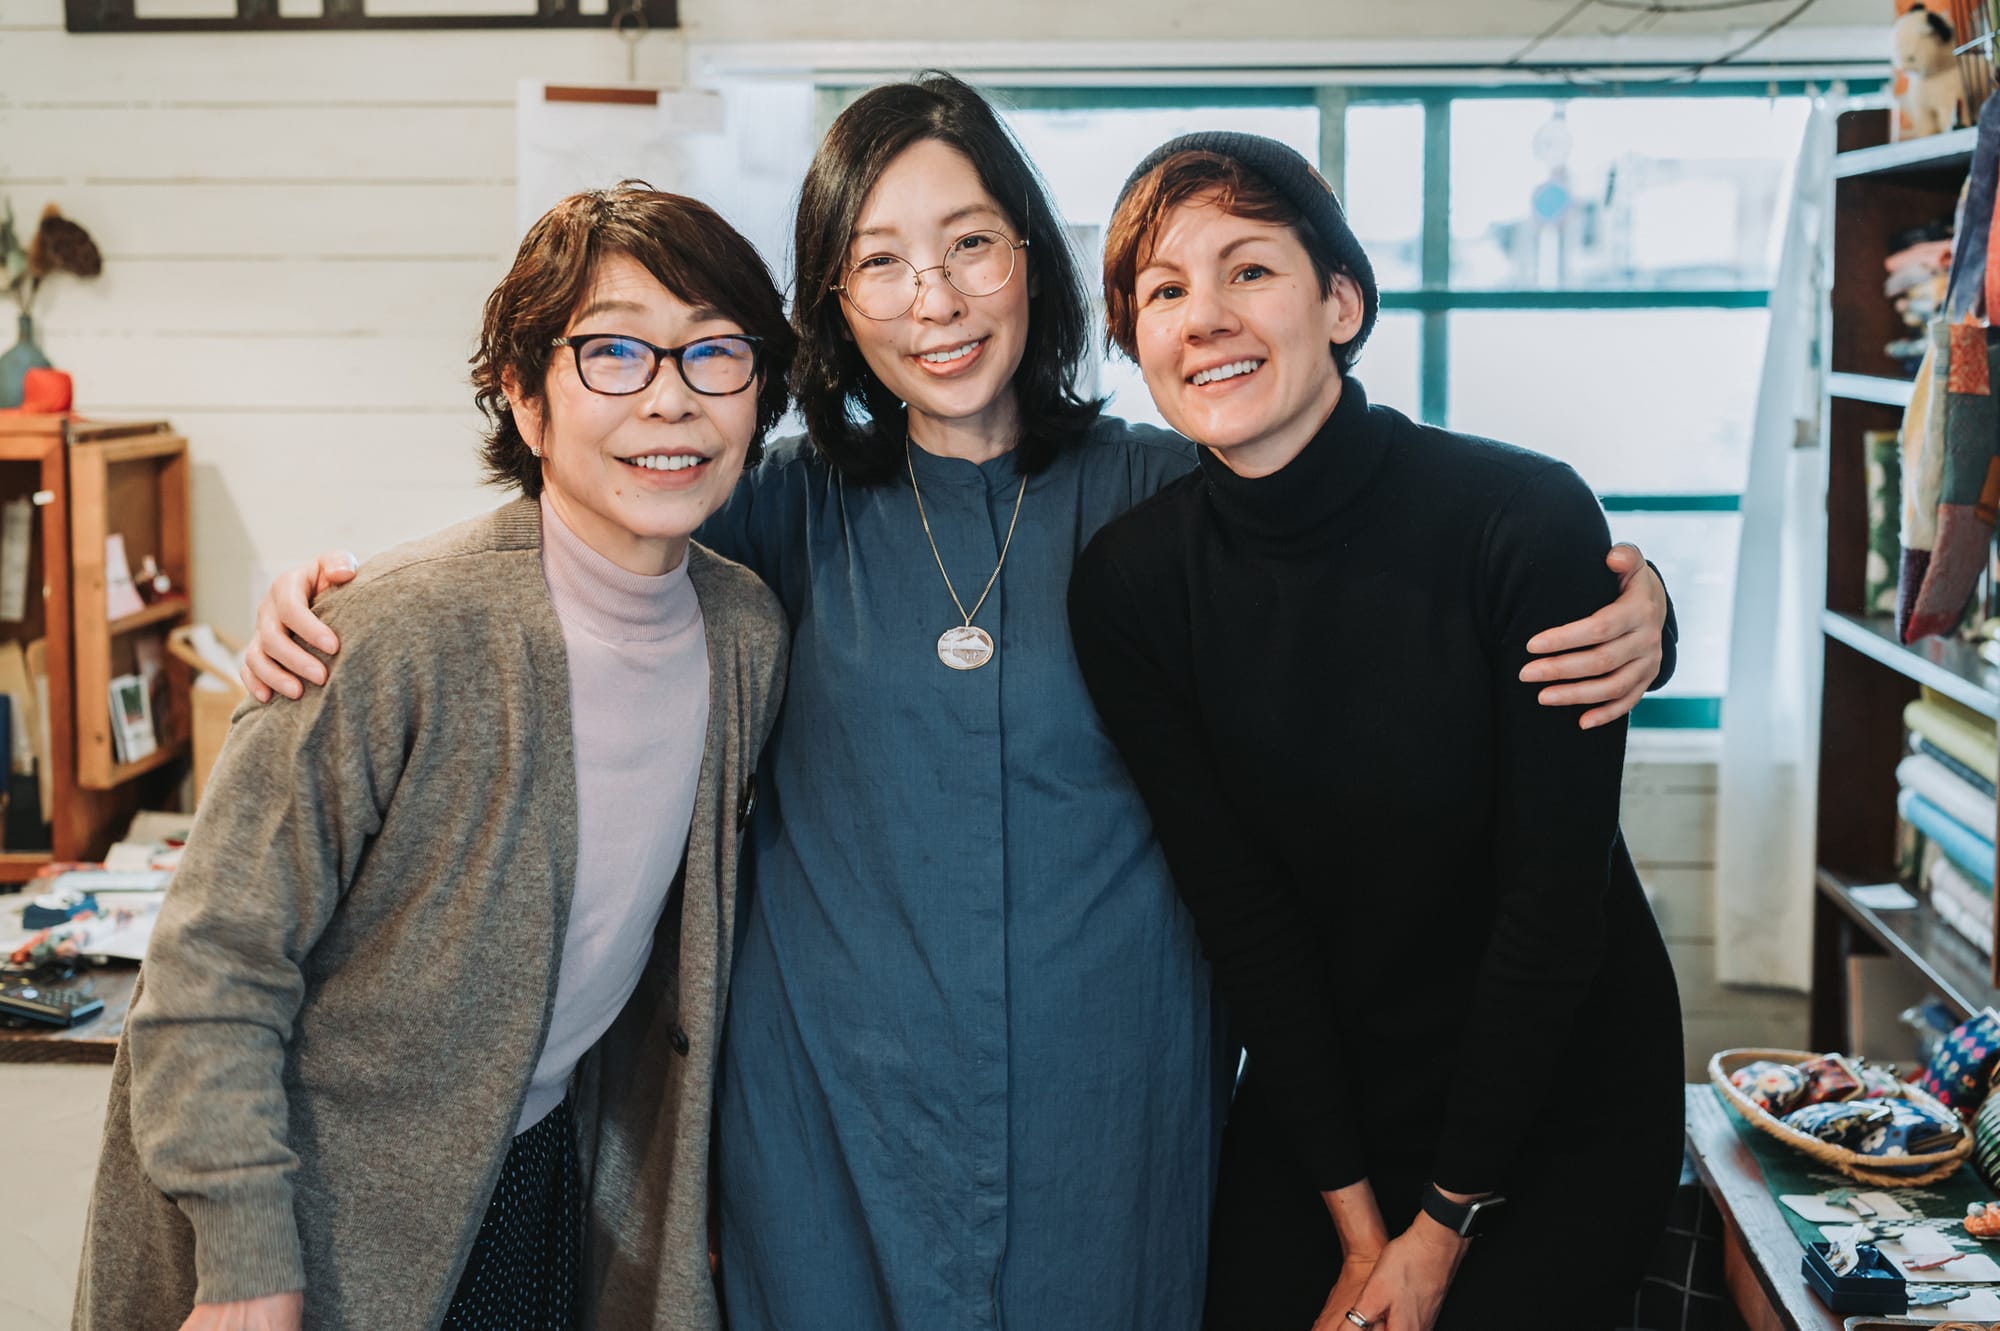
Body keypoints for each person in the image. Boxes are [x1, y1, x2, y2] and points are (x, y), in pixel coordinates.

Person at [240, 77, 1677, 1331]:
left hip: (1112, 1119)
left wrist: (1635, 604)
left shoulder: (1163, 494)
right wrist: (344, 597)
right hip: (828, 1125)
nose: (934, 298)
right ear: (834, 303)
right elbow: (579, 539)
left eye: (971, 244)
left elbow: (1367, 538)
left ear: (1032, 267)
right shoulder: (776, 512)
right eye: (880, 261)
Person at [73, 185, 792, 1331]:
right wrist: (247, 1260)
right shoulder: (386, 635)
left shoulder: (746, 630)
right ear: (523, 393)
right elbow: (211, 970)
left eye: (715, 352)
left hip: (535, 1171)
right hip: (305, 1208)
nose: (671, 397)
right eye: (612, 351)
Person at [1069, 133, 1685, 1331]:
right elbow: (1238, 911)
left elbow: (1551, 911)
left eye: (1248, 270)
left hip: (1559, 1078)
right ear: (1136, 342)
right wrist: (1360, 1224)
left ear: (1339, 300)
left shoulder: (1518, 516)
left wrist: (1437, 1230)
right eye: (1161, 290)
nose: (1203, 317)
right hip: (1329, 1100)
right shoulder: (1132, 584)